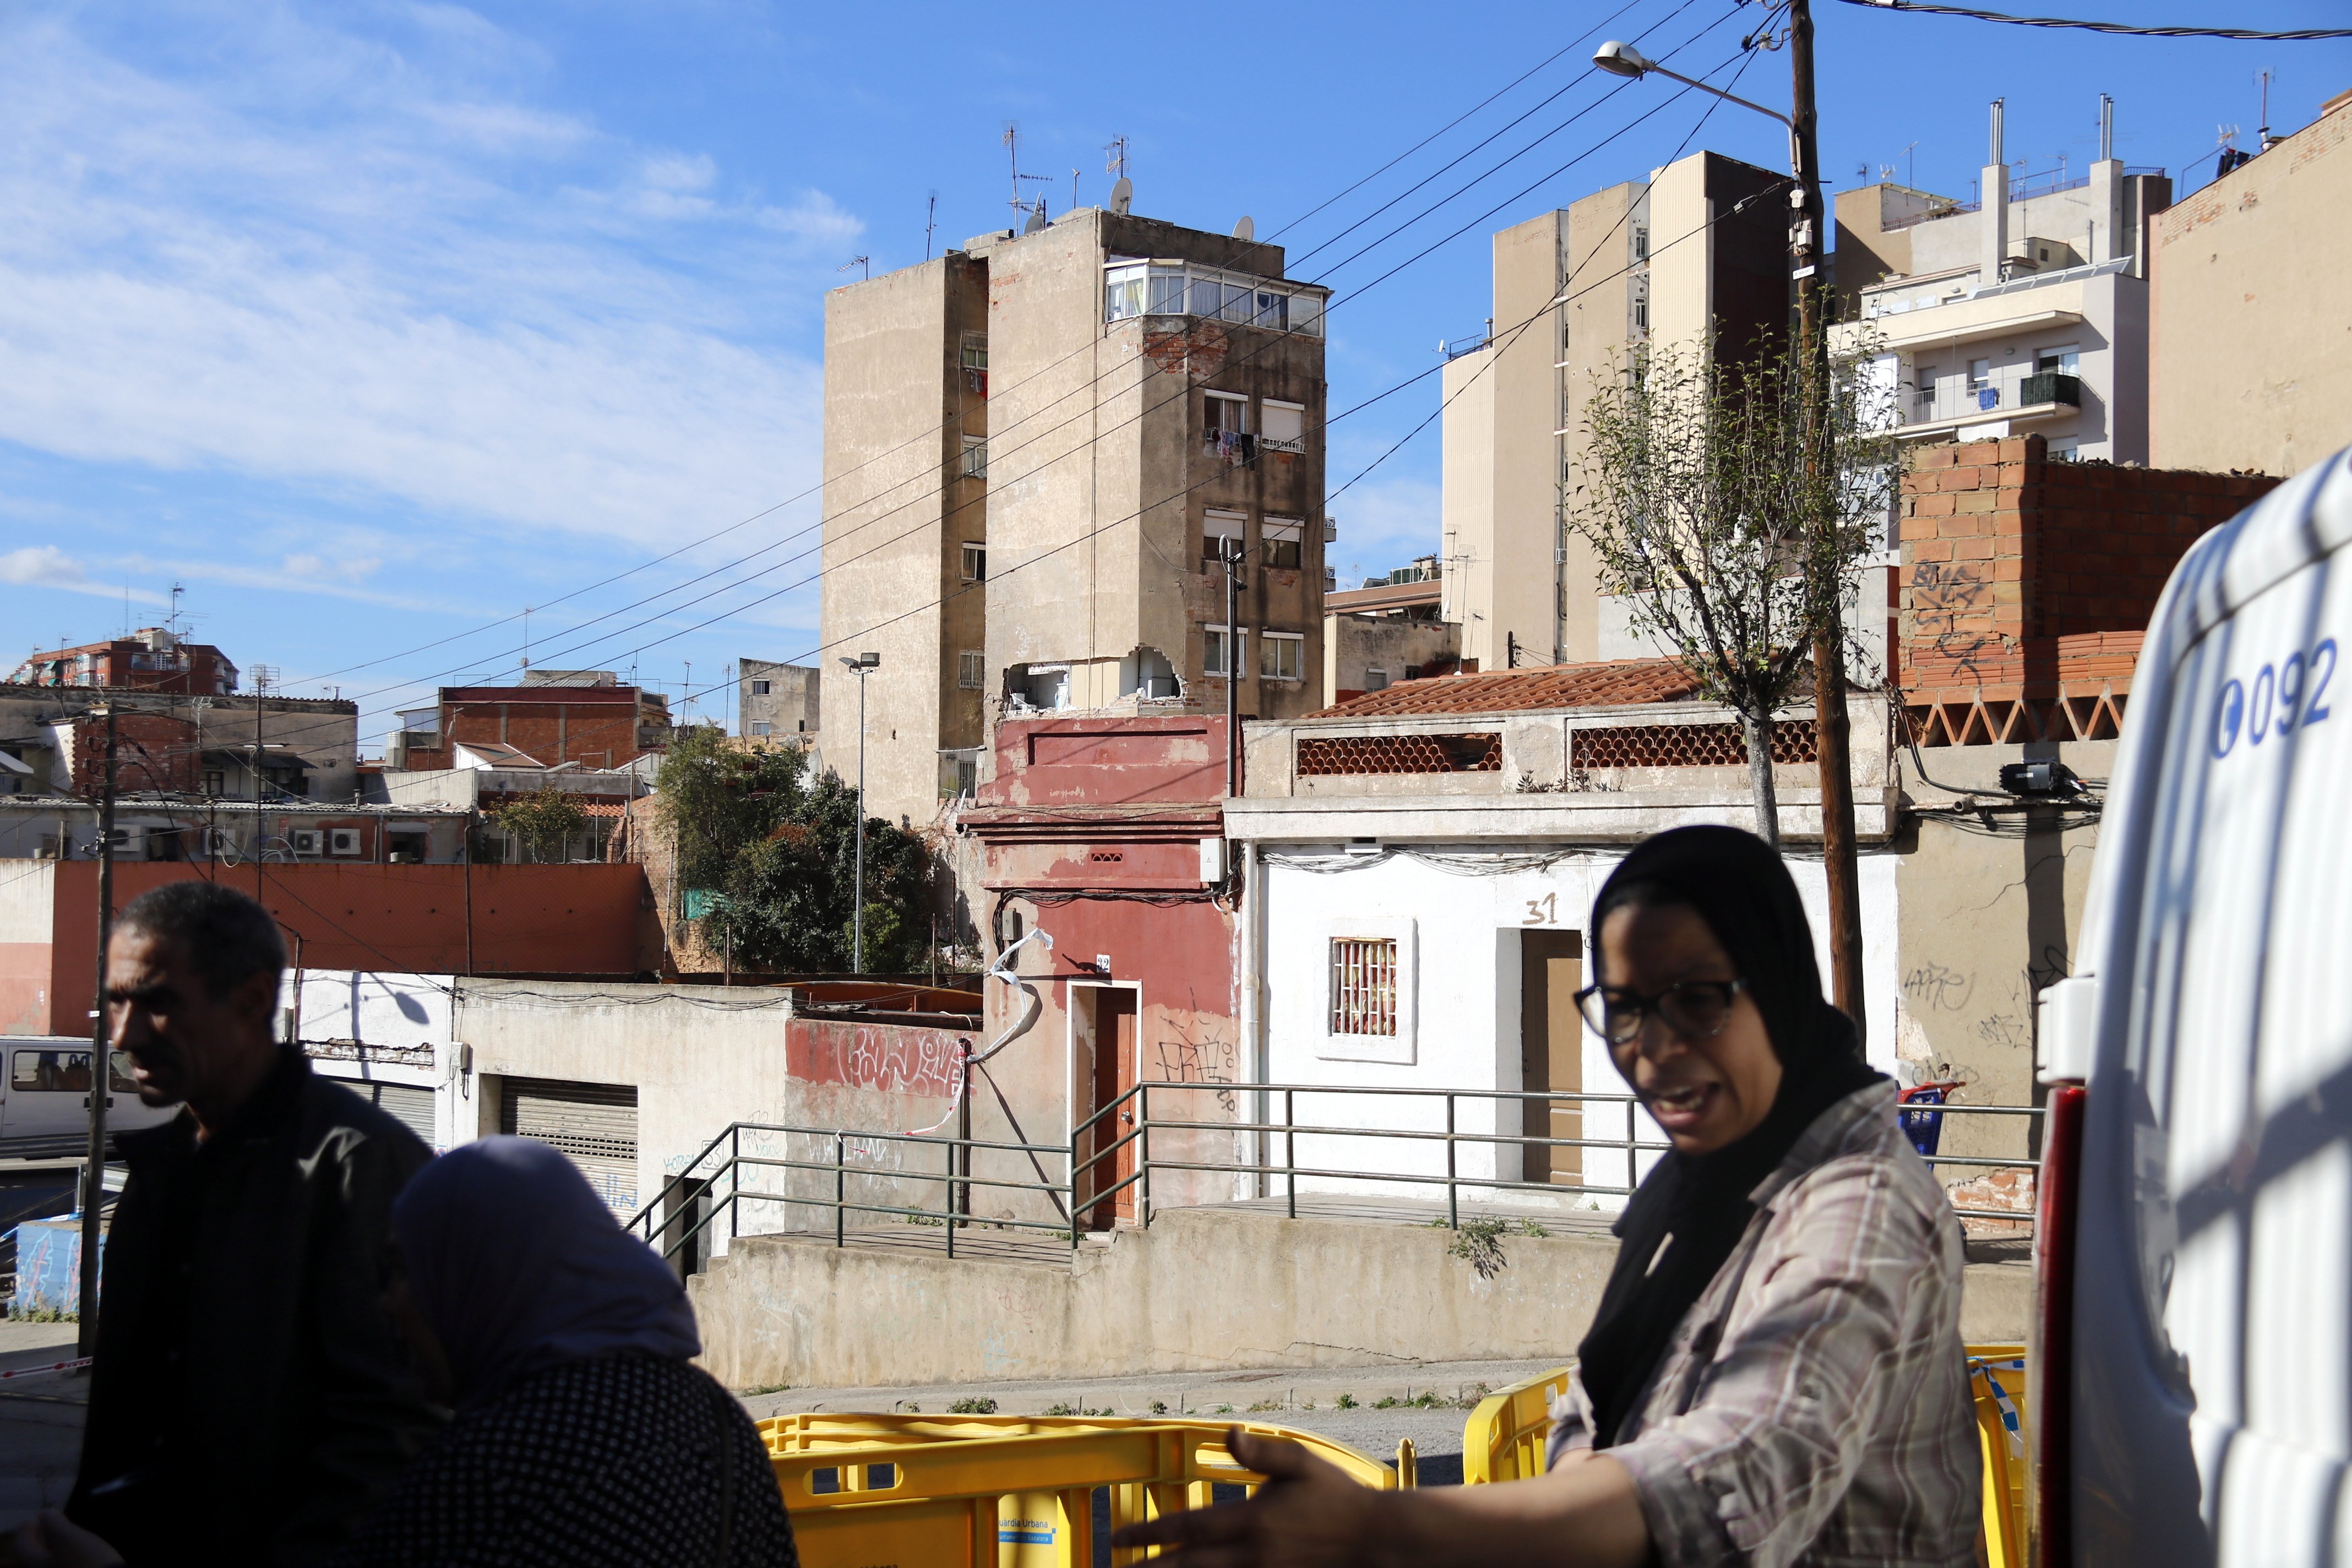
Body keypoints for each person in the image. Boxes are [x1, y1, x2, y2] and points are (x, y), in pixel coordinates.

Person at [1114, 825, 1980, 1568]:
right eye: (1626, 1008)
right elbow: (1601, 1420)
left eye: (1700, 1000)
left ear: (1779, 988)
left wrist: (1377, 1529)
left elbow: (1730, 1477)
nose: (1655, 1048)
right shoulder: (1709, 1184)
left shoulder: (1861, 1211)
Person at [66, 881, 441, 1566]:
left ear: (252, 999)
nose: (124, 1033)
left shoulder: (356, 1166)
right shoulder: (166, 1170)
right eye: (118, 1000)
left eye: (158, 1002)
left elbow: (387, 1432)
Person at [324, 1136, 799, 1567]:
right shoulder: (714, 1417)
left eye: (405, 1269)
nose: (389, 1301)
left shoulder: (486, 1471)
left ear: (479, 1276)